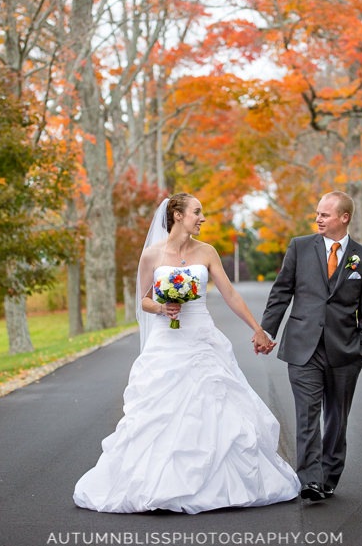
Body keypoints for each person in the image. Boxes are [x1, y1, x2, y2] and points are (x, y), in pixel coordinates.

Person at [73, 193, 300, 514]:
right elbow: (144, 301)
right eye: (197, 212)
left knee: (214, 403)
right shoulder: (151, 255)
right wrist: (163, 307)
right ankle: (161, 483)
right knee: (161, 410)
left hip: (203, 339)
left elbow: (230, 293)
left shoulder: (207, 252)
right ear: (177, 215)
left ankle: (220, 483)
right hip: (167, 342)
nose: (202, 218)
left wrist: (257, 328)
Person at [259, 191, 362, 501]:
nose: (318, 219)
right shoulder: (300, 247)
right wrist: (266, 330)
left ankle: (329, 476)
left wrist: (361, 348)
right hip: (303, 347)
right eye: (317, 214)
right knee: (308, 415)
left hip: (344, 351)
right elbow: (281, 292)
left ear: (344, 217)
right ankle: (310, 479)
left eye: (325, 214)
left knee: (337, 418)